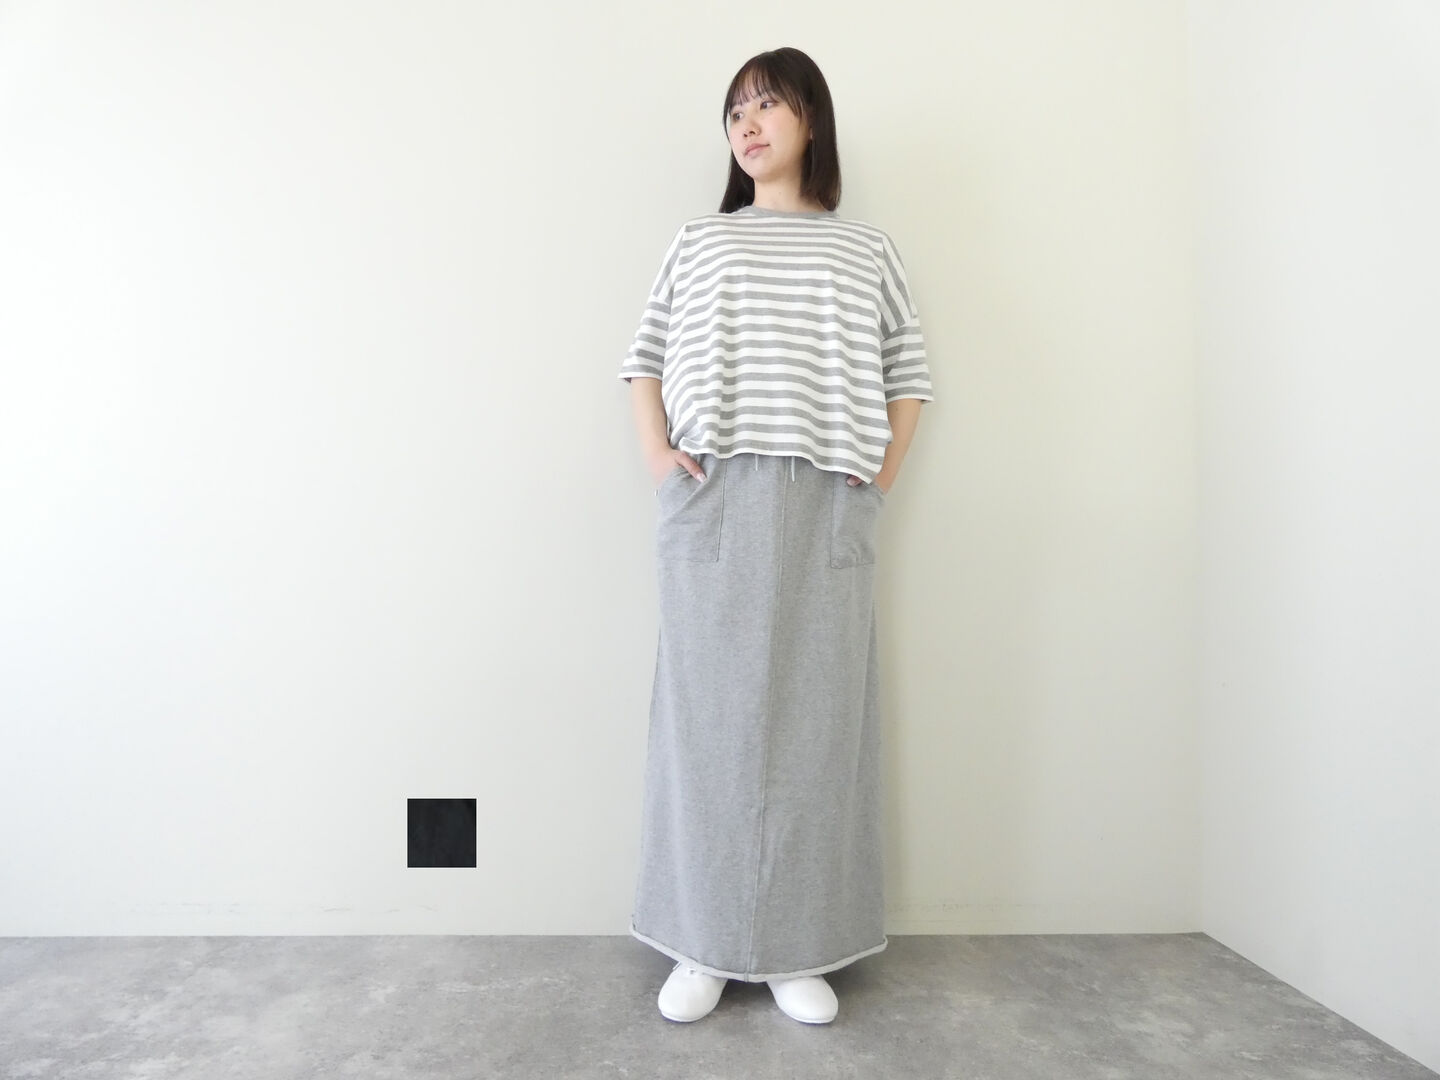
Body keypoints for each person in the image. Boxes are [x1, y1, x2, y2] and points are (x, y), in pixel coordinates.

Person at [617, 46, 934, 1025]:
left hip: (826, 501)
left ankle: (800, 946)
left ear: (811, 120)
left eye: (768, 105)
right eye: (735, 112)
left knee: (818, 725)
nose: (747, 125)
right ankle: (701, 942)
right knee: (706, 725)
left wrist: (878, 479)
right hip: (713, 497)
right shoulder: (701, 240)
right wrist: (660, 460)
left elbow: (908, 371)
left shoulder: (865, 249)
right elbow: (644, 358)